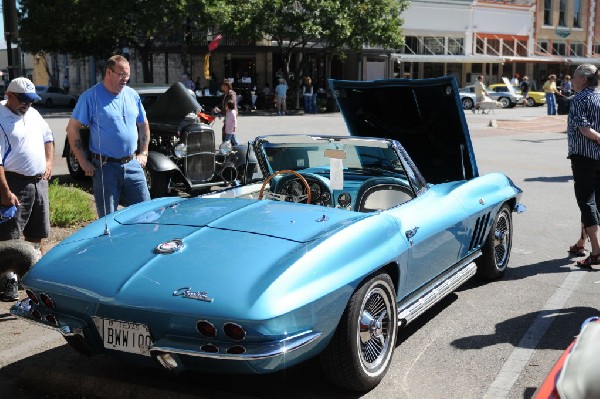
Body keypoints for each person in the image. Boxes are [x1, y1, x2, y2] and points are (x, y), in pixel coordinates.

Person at [66, 55, 150, 217]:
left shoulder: (132, 95)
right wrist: (83, 161)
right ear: (109, 73)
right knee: (108, 220)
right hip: (105, 168)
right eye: (121, 74)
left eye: (127, 75)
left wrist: (144, 152)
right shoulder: (91, 97)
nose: (125, 79)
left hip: (132, 164)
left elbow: (143, 124)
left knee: (146, 213)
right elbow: (72, 129)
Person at [0, 77, 54, 301]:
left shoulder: (33, 113)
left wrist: (49, 163)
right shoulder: (1, 117)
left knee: (37, 232)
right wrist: (4, 192)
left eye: (31, 101)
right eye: (23, 100)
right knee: (9, 235)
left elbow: (48, 137)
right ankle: (7, 280)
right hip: (13, 182)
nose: (27, 105)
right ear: (9, 96)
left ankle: (30, 276)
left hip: (38, 181)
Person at [566, 64, 600, 267]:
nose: (572, 80)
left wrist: (598, 138)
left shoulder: (580, 99)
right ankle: (582, 242)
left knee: (586, 200)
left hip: (584, 157)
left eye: (575, 77)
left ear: (584, 79)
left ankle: (596, 251)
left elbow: (584, 128)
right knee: (592, 199)